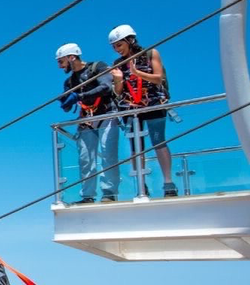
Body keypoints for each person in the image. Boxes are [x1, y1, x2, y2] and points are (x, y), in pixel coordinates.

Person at [101, 23, 176, 198]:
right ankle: (141, 185)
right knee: (136, 148)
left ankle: (168, 182)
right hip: (132, 109)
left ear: (130, 40)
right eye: (114, 46)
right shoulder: (118, 64)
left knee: (159, 142)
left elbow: (158, 78)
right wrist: (118, 80)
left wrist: (136, 72)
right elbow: (118, 92)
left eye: (119, 44)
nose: (116, 49)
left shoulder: (151, 54)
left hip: (154, 104)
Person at [55, 41, 114, 204]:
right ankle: (88, 195)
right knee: (86, 158)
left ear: (71, 57)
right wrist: (66, 101)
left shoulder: (97, 67)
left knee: (108, 154)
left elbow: (106, 87)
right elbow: (68, 107)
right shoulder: (69, 82)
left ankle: (109, 193)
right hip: (86, 119)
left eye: (61, 61)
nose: (60, 66)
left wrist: (79, 96)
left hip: (106, 114)